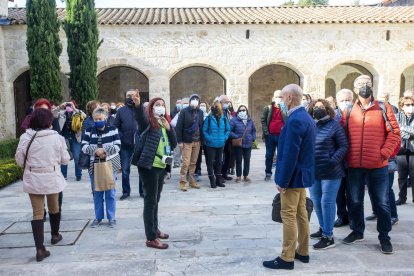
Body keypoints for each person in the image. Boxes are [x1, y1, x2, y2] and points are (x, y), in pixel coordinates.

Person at [340, 75, 400, 254]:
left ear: (372, 86)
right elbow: (342, 135)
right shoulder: (349, 110)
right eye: (360, 84)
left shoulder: (383, 107)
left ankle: (384, 237)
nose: (364, 86)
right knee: (355, 200)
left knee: (382, 203)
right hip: (355, 166)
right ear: (355, 88)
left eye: (367, 83)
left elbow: (394, 133)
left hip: (378, 166)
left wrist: (383, 153)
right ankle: (357, 231)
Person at [263, 84, 316, 270]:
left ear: (290, 98)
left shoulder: (295, 120)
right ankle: (303, 251)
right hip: (302, 175)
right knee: (301, 213)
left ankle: (287, 257)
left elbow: (290, 154)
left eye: (283, 97)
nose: (281, 101)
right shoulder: (305, 117)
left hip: (293, 176)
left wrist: (282, 181)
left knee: (289, 215)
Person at [15, 108, 69, 262]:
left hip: (33, 177)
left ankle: (39, 249)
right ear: (49, 121)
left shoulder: (25, 137)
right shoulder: (57, 138)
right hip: (51, 176)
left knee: (37, 213)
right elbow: (65, 159)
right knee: (54, 208)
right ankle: (55, 235)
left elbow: (19, 160)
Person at [132, 94, 177, 249]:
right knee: (150, 202)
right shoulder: (149, 123)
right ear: (151, 108)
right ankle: (150, 238)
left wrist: (169, 129)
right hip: (149, 166)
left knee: (156, 200)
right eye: (157, 104)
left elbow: (174, 143)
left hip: (161, 166)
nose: (161, 106)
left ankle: (154, 229)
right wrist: (138, 106)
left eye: (163, 104)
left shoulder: (165, 122)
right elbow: (140, 118)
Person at [307, 99, 348, 250]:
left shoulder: (334, 125)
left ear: (328, 109)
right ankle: (323, 228)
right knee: (316, 201)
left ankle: (328, 236)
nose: (318, 109)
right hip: (314, 171)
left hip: (331, 171)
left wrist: (333, 160)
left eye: (322, 107)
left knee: (327, 202)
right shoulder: (310, 126)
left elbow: (344, 146)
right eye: (316, 107)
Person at [81, 107, 121, 228]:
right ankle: (98, 217)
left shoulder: (113, 129)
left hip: (110, 165)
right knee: (97, 192)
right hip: (94, 165)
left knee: (110, 192)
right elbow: (84, 146)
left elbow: (118, 146)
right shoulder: (89, 130)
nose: (98, 121)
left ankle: (111, 217)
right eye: (96, 119)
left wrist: (104, 150)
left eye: (100, 118)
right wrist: (96, 151)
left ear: (106, 118)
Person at [114, 89, 141, 200]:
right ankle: (126, 192)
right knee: (125, 170)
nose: (130, 97)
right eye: (128, 95)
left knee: (141, 170)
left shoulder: (141, 109)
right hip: (125, 145)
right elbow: (116, 126)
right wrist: (122, 137)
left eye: (133, 95)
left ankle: (142, 191)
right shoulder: (121, 111)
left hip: (139, 145)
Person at [334, 88, 354, 228]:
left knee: (353, 192)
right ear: (337, 102)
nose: (345, 103)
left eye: (348, 100)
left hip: (353, 160)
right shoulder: (333, 117)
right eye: (342, 100)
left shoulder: (357, 115)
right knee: (339, 191)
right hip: (338, 160)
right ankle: (342, 215)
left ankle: (353, 217)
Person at [175, 94, 204, 191]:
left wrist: (202, 141)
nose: (195, 100)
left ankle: (192, 181)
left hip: (197, 141)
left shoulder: (200, 112)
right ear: (190, 101)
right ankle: (183, 181)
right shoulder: (184, 111)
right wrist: (179, 141)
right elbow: (179, 127)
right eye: (193, 99)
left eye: (197, 99)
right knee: (185, 162)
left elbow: (201, 126)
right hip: (187, 141)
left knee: (193, 163)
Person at [55, 100, 86, 181]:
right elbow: (53, 114)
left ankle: (78, 175)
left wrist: (74, 108)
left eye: (71, 105)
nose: (69, 106)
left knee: (77, 156)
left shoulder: (78, 113)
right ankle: (63, 175)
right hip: (64, 138)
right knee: (64, 157)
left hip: (75, 138)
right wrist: (60, 107)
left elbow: (84, 116)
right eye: (68, 105)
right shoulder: (61, 113)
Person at [202, 99, 230, 188]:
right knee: (210, 162)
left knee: (219, 162)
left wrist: (224, 138)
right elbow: (204, 130)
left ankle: (218, 180)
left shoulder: (224, 118)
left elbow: (228, 129)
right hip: (211, 145)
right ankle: (212, 180)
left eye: (217, 107)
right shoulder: (209, 118)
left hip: (220, 144)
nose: (216, 108)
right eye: (214, 107)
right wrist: (209, 139)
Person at [261, 90, 287, 181]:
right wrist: (266, 132)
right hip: (270, 136)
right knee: (269, 155)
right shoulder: (268, 108)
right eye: (277, 97)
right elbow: (263, 120)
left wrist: (284, 109)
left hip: (281, 136)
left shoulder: (285, 108)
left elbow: (287, 120)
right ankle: (268, 173)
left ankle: (279, 174)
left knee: (281, 156)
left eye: (280, 97)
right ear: (273, 98)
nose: (278, 99)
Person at [230, 105, 256, 183]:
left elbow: (253, 130)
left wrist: (253, 138)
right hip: (239, 143)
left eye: (244, 110)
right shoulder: (234, 120)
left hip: (248, 143)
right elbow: (229, 131)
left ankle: (246, 175)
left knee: (247, 160)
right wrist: (236, 136)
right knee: (238, 160)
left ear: (246, 111)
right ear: (238, 111)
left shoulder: (250, 120)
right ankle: (238, 176)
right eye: (240, 110)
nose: (242, 112)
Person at [396, 96, 414, 205]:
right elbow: (395, 129)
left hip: (413, 150)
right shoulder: (397, 116)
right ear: (402, 106)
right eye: (407, 105)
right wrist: (407, 132)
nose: (410, 107)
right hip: (401, 149)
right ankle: (402, 198)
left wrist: (403, 128)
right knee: (402, 175)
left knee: (413, 175)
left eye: (412, 105)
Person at [219, 95, 234, 181]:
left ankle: (224, 173)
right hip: (220, 136)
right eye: (225, 102)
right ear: (221, 102)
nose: (227, 103)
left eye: (228, 102)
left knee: (228, 155)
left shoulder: (228, 111)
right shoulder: (218, 110)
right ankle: (219, 174)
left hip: (228, 136)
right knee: (219, 157)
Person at [172, 97, 189, 168]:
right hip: (178, 134)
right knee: (177, 149)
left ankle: (186, 163)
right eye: (184, 104)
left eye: (186, 103)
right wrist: (179, 125)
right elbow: (172, 122)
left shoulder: (192, 112)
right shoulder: (179, 113)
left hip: (188, 135)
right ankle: (176, 162)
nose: (185, 105)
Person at [195, 101, 210, 181]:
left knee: (208, 155)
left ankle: (209, 169)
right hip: (198, 138)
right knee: (198, 156)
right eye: (201, 105)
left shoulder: (208, 116)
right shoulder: (197, 115)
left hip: (206, 139)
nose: (202, 107)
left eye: (204, 105)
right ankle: (198, 170)